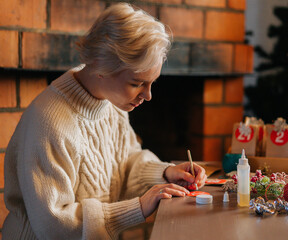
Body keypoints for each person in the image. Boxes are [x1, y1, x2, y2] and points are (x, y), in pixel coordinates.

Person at [3, 3, 207, 239]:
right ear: (101, 66)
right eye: (137, 83)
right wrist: (137, 208)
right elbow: (53, 225)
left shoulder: (110, 100)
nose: (148, 96)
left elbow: (126, 162)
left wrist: (167, 173)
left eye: (152, 83)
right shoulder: (49, 122)